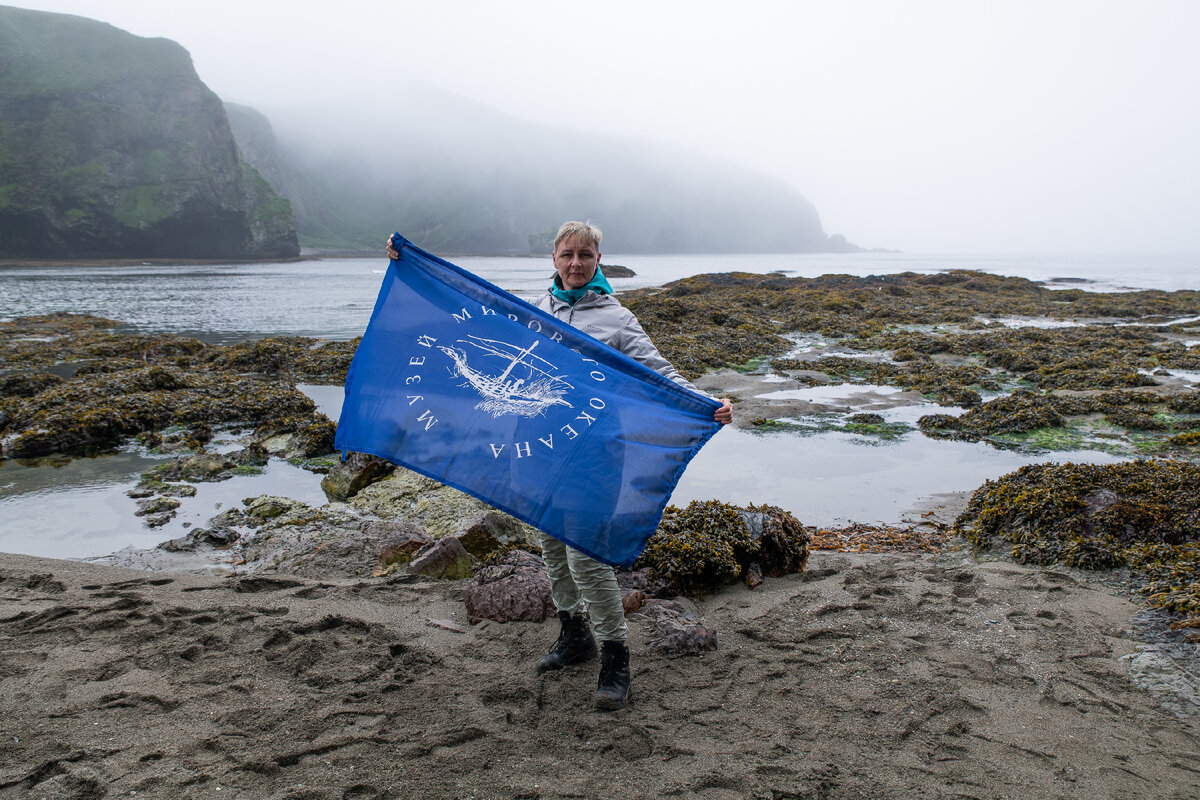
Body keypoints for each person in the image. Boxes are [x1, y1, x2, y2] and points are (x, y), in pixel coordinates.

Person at [388, 222, 732, 711]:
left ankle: (616, 656)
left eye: (585, 255)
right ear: (553, 258)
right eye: (567, 254)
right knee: (550, 544)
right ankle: (575, 636)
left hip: (596, 451)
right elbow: (464, 312)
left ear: (598, 259)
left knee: (586, 556)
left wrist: (705, 403)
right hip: (537, 445)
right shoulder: (532, 313)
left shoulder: (617, 319)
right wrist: (408, 264)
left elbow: (659, 371)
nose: (576, 263)